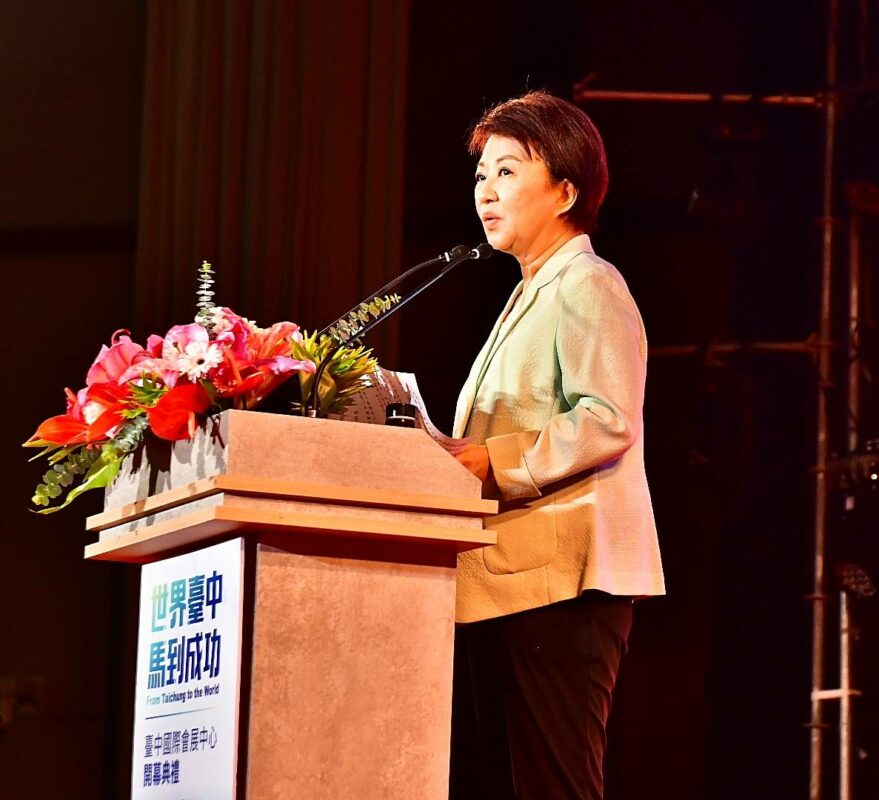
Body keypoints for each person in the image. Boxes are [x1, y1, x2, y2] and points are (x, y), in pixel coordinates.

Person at [449, 91, 665, 799]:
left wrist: (492, 460)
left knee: (554, 786)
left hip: (564, 587)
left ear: (566, 191)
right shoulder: (531, 291)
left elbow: (607, 418)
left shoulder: (587, 283)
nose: (486, 191)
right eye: (481, 174)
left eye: (508, 171)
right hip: (514, 583)